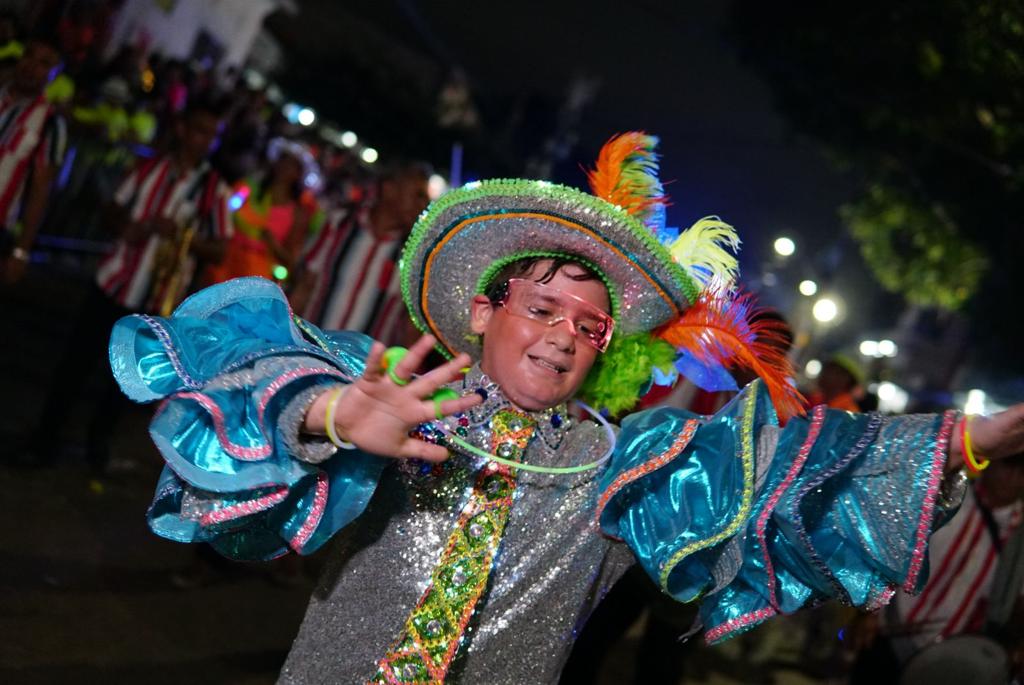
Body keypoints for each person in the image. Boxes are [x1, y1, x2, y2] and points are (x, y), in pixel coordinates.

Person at [108, 133, 1024, 683]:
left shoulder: (627, 463)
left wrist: (967, 436)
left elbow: (798, 472)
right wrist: (331, 418)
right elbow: (241, 368)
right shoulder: (396, 388)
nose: (563, 336)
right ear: (484, 310)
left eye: (590, 327)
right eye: (542, 309)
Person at [23, 99, 230, 473]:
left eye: (211, 136)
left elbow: (219, 248)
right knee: (76, 364)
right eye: (199, 130)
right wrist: (127, 226)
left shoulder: (213, 191)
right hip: (114, 281)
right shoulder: (150, 166)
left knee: (126, 383)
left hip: (156, 300)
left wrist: (187, 237)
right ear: (183, 129)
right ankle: (45, 439)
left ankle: (96, 447)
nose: (203, 141)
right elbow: (111, 208)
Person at [848, 454, 1024, 683]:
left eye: (1023, 471)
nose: (1014, 477)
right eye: (1009, 464)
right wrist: (868, 612)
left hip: (949, 662)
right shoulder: (946, 494)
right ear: (989, 462)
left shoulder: (1020, 539)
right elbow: (892, 549)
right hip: (887, 636)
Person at [292, 160, 430, 346]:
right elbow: (305, 285)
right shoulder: (339, 224)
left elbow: (409, 328)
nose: (424, 205)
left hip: (361, 371)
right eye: (418, 195)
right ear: (389, 190)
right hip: (310, 353)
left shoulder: (415, 257)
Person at [204, 138, 317, 284]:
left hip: (254, 282)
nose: (285, 167)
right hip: (223, 267)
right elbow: (224, 213)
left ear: (299, 174)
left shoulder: (297, 214)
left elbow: (291, 260)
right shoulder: (247, 189)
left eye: (292, 165)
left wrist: (272, 243)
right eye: (283, 160)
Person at [0, 36, 66, 284]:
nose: (31, 66)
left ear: (53, 75)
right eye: (29, 56)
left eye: (44, 63)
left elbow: (40, 190)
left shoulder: (50, 124)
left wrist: (20, 251)